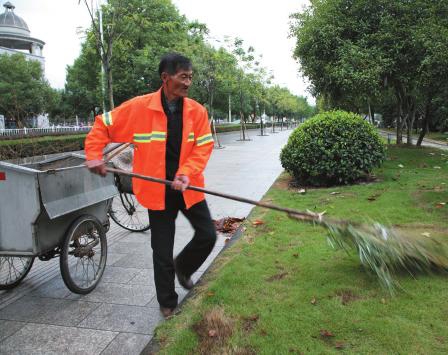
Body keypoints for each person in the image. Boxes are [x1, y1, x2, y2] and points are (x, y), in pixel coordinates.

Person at [84, 53, 217, 318]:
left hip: (188, 187)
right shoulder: (139, 107)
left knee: (208, 235)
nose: (188, 83)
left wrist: (187, 173)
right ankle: (167, 302)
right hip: (157, 191)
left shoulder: (197, 111)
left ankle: (184, 267)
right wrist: (94, 155)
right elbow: (102, 125)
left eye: (190, 77)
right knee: (162, 249)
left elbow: (203, 147)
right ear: (165, 78)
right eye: (183, 77)